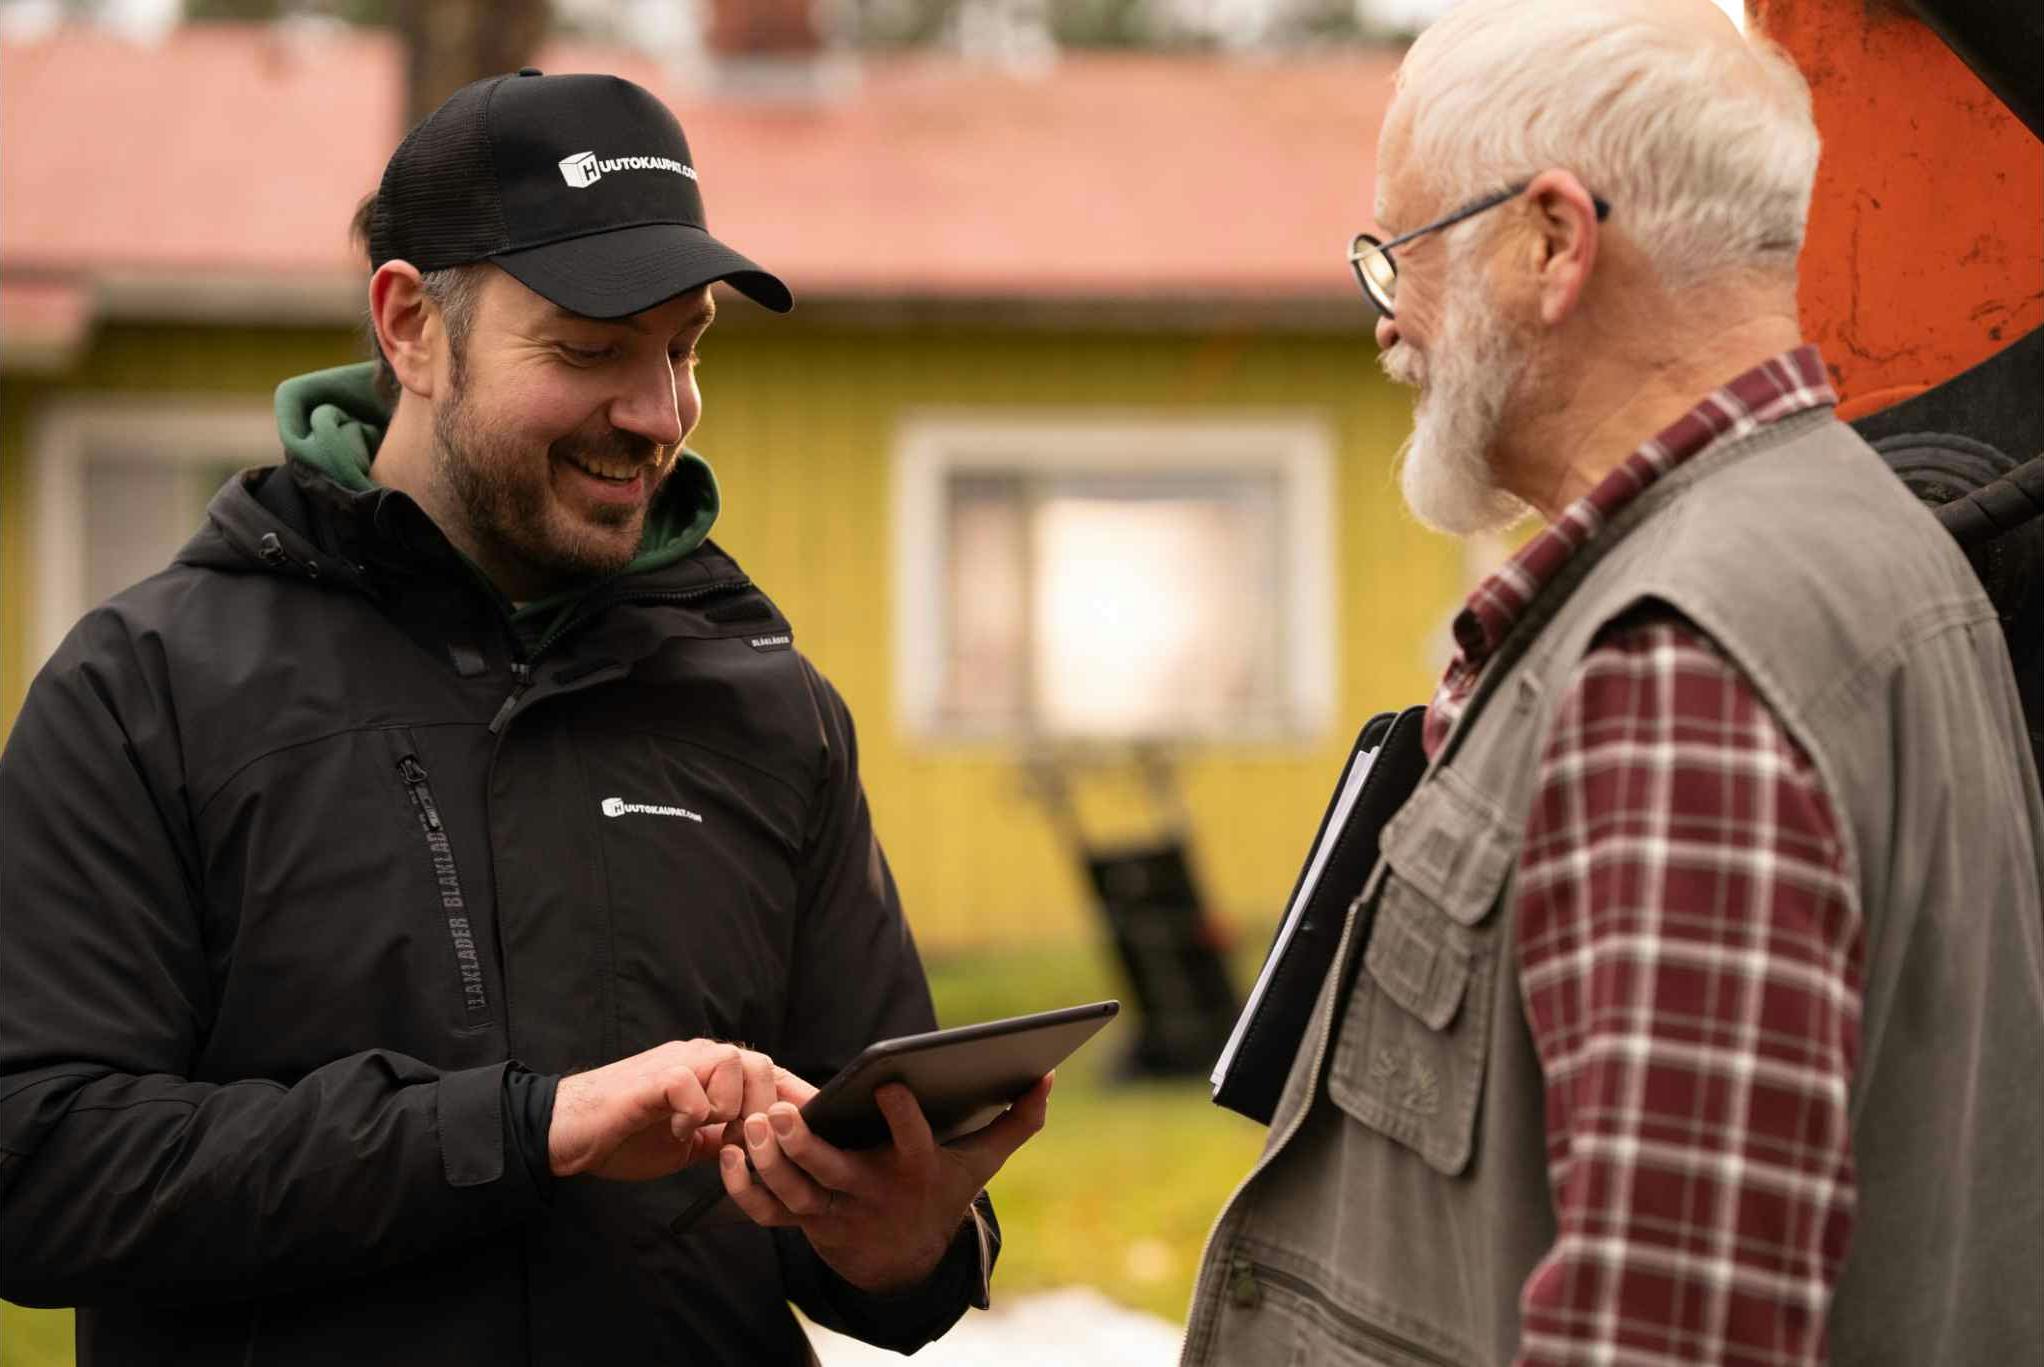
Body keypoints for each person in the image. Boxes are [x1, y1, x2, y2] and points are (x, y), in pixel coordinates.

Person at [0, 70, 1046, 1364]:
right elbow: (41, 1170)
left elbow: (864, 1203)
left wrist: (908, 1253)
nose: (657, 412)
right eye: (592, 347)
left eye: (683, 347)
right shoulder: (148, 690)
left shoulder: (769, 709)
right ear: (410, 328)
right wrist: (525, 1131)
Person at [1182, 1, 2044, 1363]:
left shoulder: (1684, 660)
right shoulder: (1848, 546)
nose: (1393, 319)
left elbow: (1675, 1329)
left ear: (1549, 241)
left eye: (1404, 253)